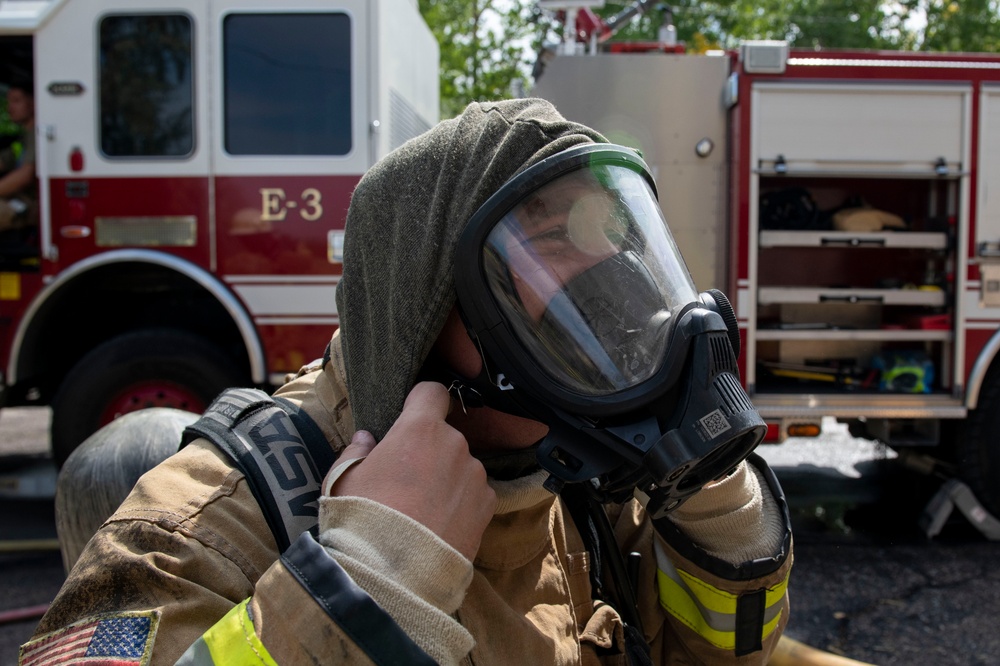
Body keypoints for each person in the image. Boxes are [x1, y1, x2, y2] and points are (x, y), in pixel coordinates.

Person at [21, 99, 792, 665]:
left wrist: (723, 513)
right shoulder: (203, 531)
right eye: (548, 240)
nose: (608, 285)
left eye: (613, 238)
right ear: (419, 309)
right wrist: (368, 585)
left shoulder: (591, 490)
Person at [0, 80, 36, 234]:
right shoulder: (24, 138)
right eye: (9, 101)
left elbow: (25, 175)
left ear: (34, 103)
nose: (9, 108)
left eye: (16, 101)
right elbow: (3, 161)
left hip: (31, 205)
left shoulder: (37, 134)